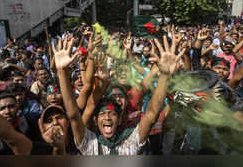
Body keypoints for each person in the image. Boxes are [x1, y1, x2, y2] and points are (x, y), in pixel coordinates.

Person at [52, 34, 185, 155]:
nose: (107, 117)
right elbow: (74, 115)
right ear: (95, 120)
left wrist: (165, 75)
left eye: (112, 113)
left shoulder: (131, 141)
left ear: (120, 119)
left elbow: (151, 114)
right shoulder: (89, 143)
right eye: (103, 114)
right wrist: (61, 72)